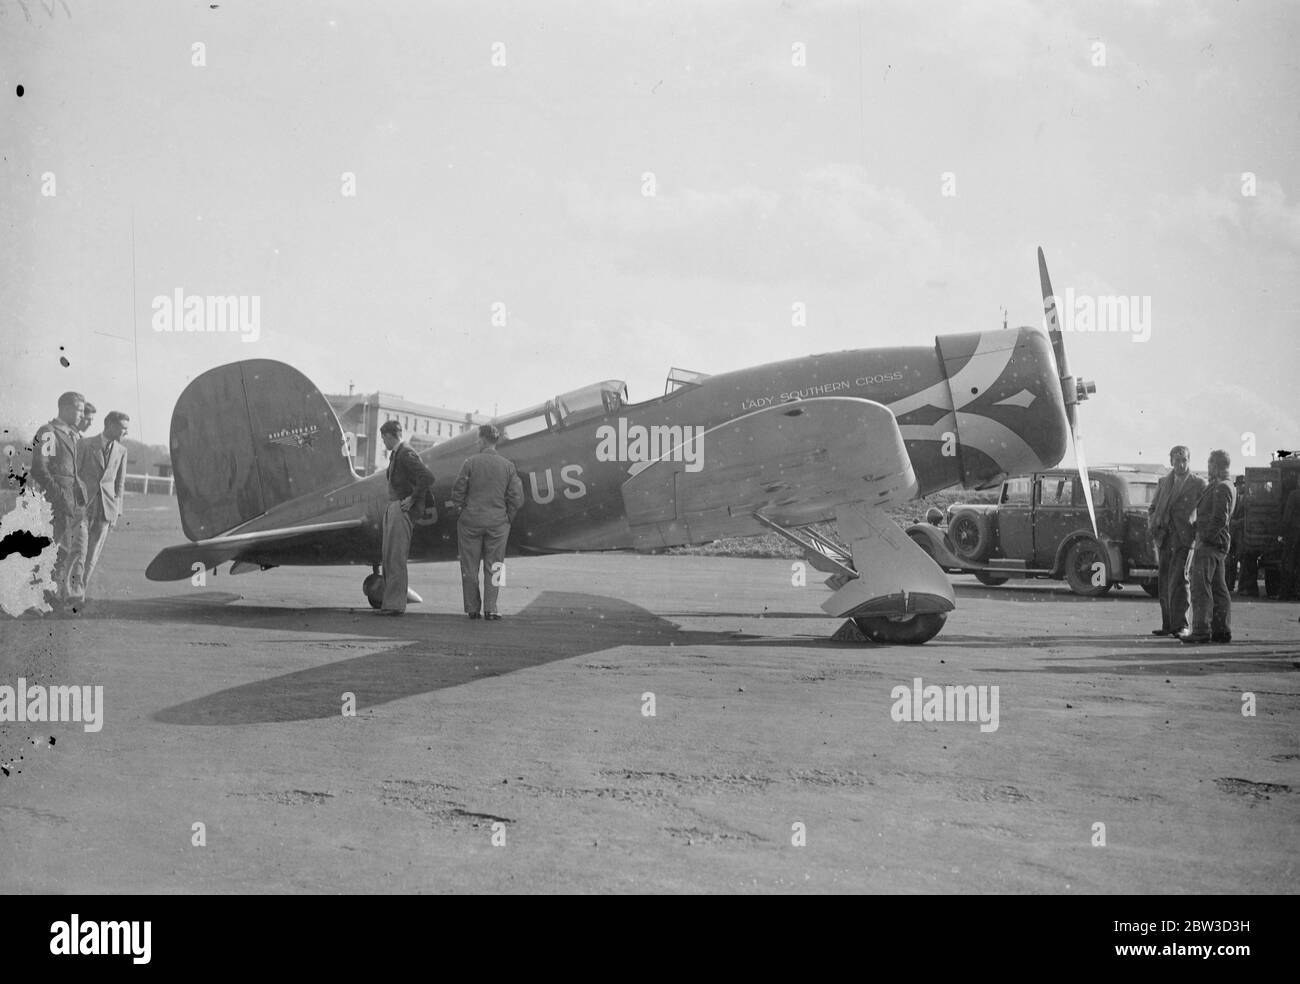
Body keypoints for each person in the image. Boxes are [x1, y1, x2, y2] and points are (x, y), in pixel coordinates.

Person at [452, 424, 524, 620]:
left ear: (483, 440)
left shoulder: (470, 463)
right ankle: (491, 608)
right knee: (496, 566)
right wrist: (508, 517)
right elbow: (517, 497)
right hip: (498, 523)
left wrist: (461, 512)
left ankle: (472, 608)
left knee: (469, 566)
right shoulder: (508, 466)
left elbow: (458, 491)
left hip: (470, 522)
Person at [29, 391, 88, 606]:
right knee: (49, 551)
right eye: (79, 410)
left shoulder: (74, 435)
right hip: (56, 503)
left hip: (76, 504)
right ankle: (32, 600)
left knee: (74, 551)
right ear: (65, 408)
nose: (82, 415)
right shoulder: (48, 432)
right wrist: (60, 496)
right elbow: (39, 470)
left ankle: (63, 596)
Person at [1147, 445, 1206, 637]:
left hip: (1184, 539)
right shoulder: (1164, 482)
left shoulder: (1198, 483)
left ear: (1189, 460)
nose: (1181, 464)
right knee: (1163, 582)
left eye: (1184, 460)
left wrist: (1197, 533)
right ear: (1171, 461)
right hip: (1164, 538)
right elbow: (1153, 507)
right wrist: (1154, 525)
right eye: (1177, 460)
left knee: (1180, 581)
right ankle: (1168, 625)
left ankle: (1181, 625)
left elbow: (1205, 512)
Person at [378, 420, 435, 615]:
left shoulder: (405, 453)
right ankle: (391, 603)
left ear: (388, 436)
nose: (383, 443)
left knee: (395, 558)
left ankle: (394, 605)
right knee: (389, 557)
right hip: (394, 507)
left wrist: (411, 499)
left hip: (401, 509)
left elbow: (427, 477)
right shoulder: (398, 454)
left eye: (383, 438)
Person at [72, 411, 129, 603]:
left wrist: (116, 512)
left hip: (106, 511)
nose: (125, 432)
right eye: (123, 428)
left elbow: (119, 484)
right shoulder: (85, 444)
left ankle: (80, 595)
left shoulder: (122, 451)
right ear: (110, 425)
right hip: (83, 508)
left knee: (92, 556)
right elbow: (74, 475)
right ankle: (70, 592)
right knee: (78, 552)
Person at [1183, 449, 1236, 644]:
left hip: (1209, 545)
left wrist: (1204, 537)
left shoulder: (1221, 487)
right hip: (1217, 545)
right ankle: (1222, 630)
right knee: (1218, 588)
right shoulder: (1225, 485)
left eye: (1210, 464)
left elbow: (1219, 519)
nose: (1208, 468)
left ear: (1217, 465)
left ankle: (1201, 630)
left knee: (1200, 587)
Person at [1225, 475, 1246, 592]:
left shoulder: (1249, 498)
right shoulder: (1233, 497)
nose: (1241, 486)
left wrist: (1238, 522)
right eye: (1239, 484)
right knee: (1229, 561)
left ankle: (1241, 586)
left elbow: (1248, 516)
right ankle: (1229, 585)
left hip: (1242, 534)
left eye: (1243, 484)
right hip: (1232, 533)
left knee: (1241, 559)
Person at [1280, 483, 1300, 601]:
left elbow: (1287, 515)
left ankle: (1286, 593)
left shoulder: (1294, 495)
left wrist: (1281, 532)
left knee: (1288, 563)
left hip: (1294, 534)